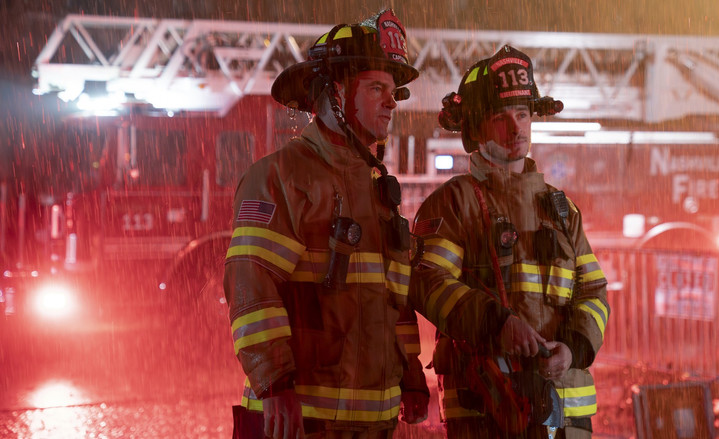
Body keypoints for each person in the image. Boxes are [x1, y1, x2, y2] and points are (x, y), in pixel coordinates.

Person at [223, 9, 429, 439]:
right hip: (300, 423)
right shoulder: (281, 176)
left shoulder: (378, 191)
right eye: (377, 88)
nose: (392, 102)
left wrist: (411, 377)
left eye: (393, 91)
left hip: (374, 424)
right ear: (335, 93)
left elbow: (396, 301)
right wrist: (274, 383)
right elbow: (252, 283)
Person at [409, 45, 610, 439]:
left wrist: (572, 348)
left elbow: (594, 292)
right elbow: (427, 282)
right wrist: (497, 325)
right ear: (474, 131)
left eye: (522, 114)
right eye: (501, 119)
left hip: (566, 411)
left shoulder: (562, 208)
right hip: (486, 408)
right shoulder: (455, 203)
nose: (516, 129)